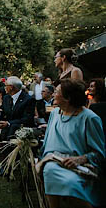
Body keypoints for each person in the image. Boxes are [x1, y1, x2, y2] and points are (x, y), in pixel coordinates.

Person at [38, 79, 104, 207]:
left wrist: (79, 159)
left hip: (80, 167)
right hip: (53, 161)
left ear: (67, 98)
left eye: (56, 92)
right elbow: (46, 145)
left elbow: (99, 154)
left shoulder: (89, 118)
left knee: (69, 182)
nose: (52, 94)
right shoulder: (55, 114)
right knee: (49, 169)